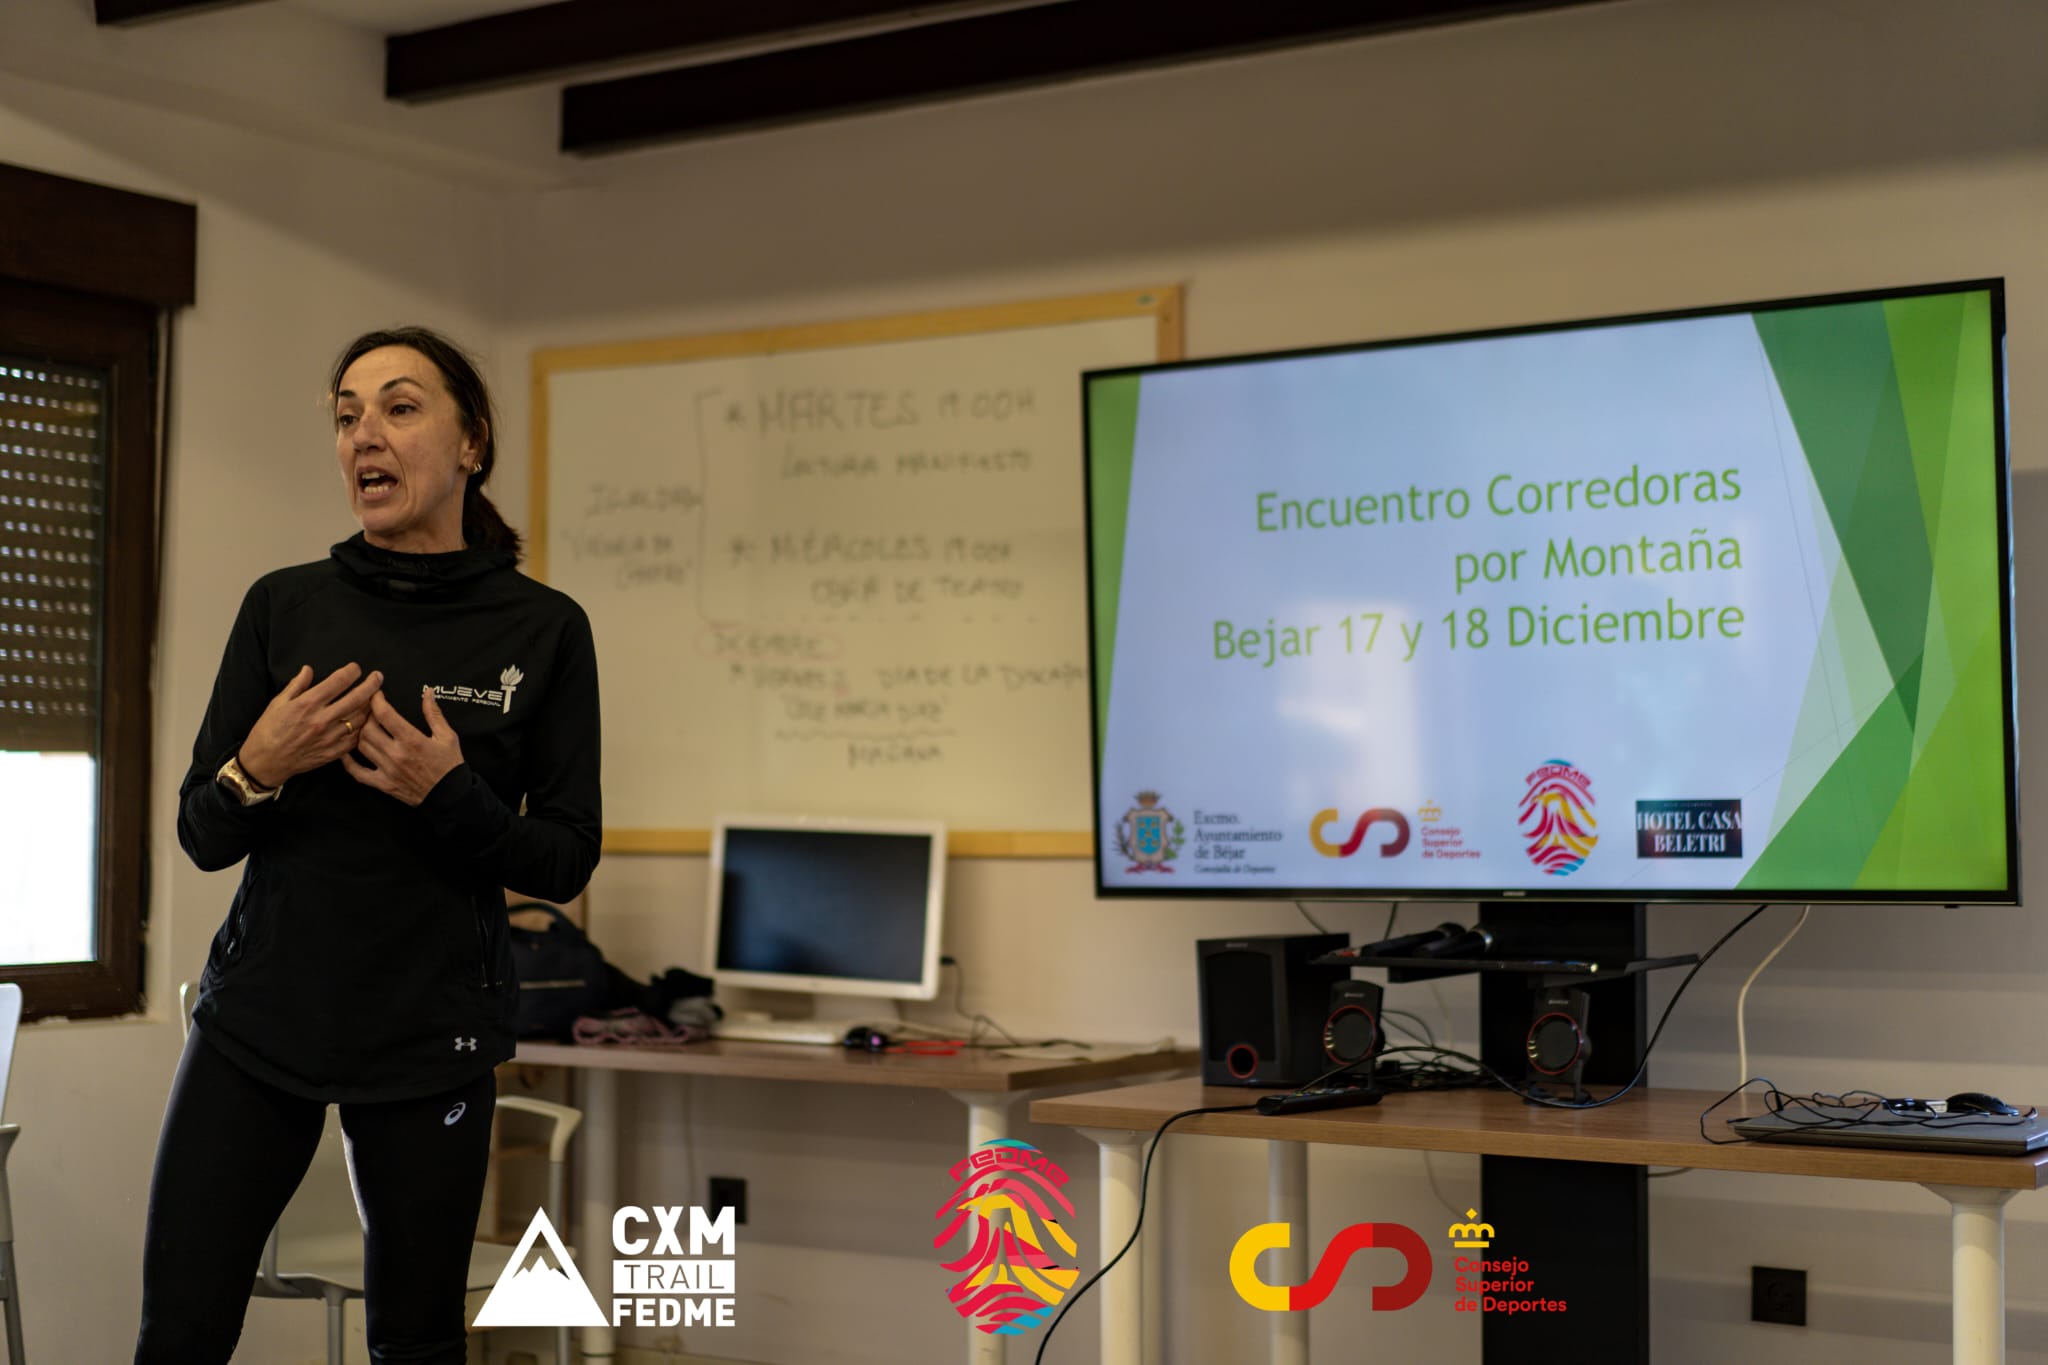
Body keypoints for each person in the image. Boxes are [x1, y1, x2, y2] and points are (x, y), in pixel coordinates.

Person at [134, 327, 602, 1364]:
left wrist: (449, 795)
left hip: (431, 1036)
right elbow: (202, 832)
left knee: (416, 1343)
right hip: (259, 1023)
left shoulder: (544, 630)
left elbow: (565, 857)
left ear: (470, 443)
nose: (363, 436)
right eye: (347, 416)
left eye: (398, 407)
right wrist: (258, 763)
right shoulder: (284, 606)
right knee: (179, 1334)